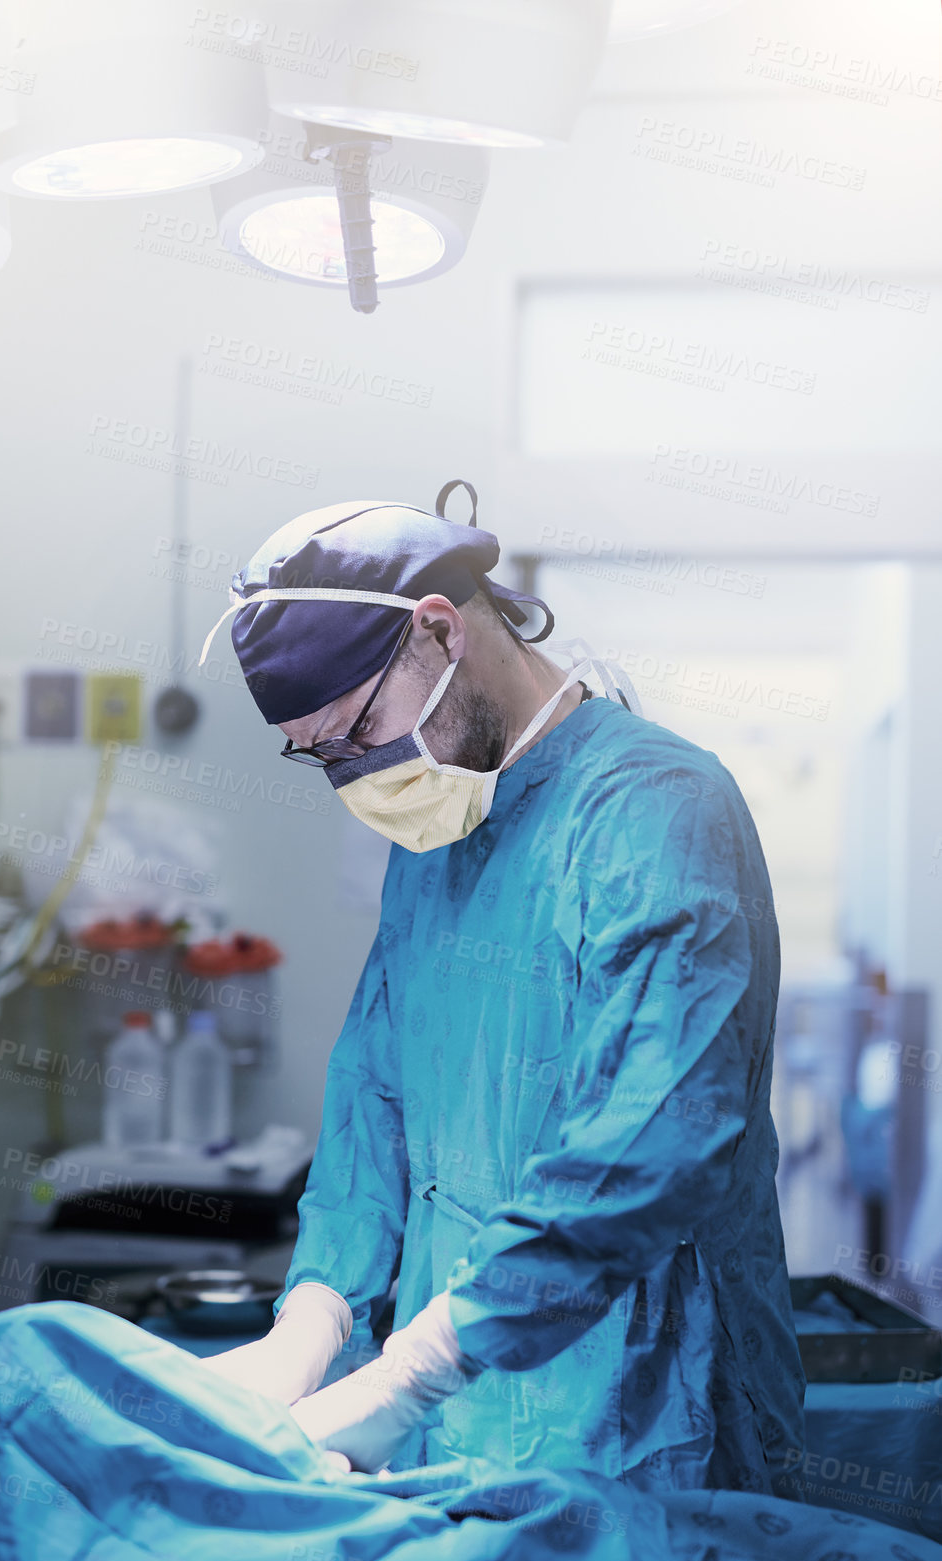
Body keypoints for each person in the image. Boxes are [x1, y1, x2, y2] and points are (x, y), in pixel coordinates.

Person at [203, 486, 806, 1491]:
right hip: (460, 1419)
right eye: (324, 760)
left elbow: (649, 1145)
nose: (358, 778)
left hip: (639, 1421)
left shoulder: (656, 811)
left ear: (438, 633)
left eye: (360, 733)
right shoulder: (441, 834)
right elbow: (375, 1098)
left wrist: (425, 1363)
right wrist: (316, 1313)